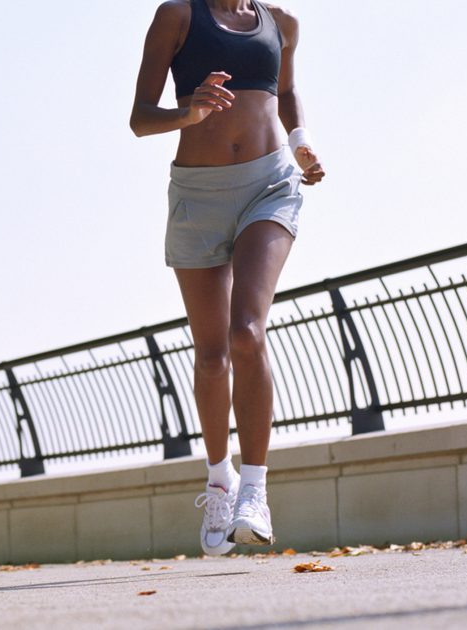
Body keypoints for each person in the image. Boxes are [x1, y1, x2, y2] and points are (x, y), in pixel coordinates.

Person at [129, 0, 325, 555]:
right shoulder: (178, 16)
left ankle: (255, 491)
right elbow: (141, 116)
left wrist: (301, 141)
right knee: (212, 354)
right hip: (197, 196)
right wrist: (187, 113)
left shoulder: (281, 23)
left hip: (270, 184)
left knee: (248, 331)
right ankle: (221, 479)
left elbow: (285, 95)